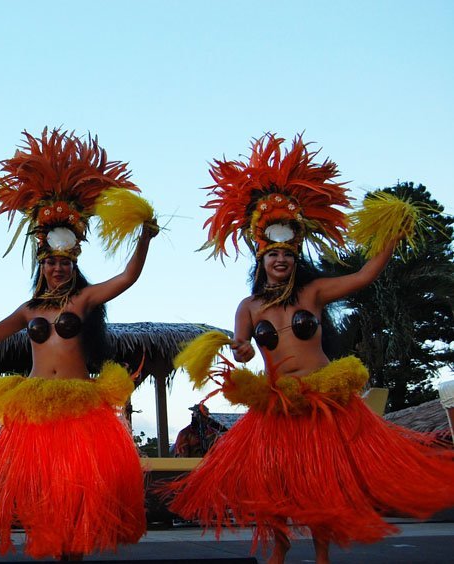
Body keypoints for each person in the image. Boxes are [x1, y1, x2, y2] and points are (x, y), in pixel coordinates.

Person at [166, 133, 454, 564]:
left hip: (324, 405)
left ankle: (321, 558)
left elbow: (363, 277)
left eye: (287, 254)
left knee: (323, 488)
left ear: (296, 256)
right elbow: (241, 342)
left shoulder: (314, 293)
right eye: (272, 255)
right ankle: (279, 556)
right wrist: (243, 352)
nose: (280, 260)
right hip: (277, 410)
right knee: (276, 494)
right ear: (260, 259)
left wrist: (390, 237)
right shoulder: (250, 305)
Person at [0, 128, 157, 560]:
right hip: (34, 410)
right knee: (42, 499)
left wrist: (144, 238)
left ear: (74, 264)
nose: (57, 269)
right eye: (50, 262)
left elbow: (127, 278)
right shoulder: (29, 309)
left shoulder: (84, 299)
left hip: (78, 409)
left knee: (76, 492)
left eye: (64, 262)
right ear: (41, 263)